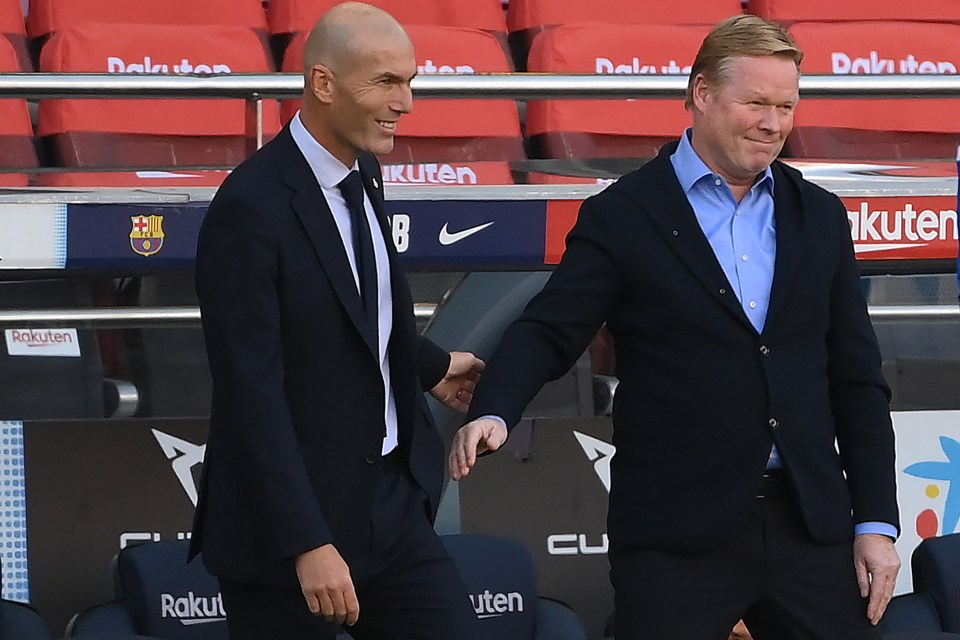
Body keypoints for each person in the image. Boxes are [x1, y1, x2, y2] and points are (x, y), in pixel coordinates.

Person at [449, 14, 901, 640]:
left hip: (810, 527)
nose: (774, 123)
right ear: (701, 93)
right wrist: (496, 408)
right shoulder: (624, 214)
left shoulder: (820, 216)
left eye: (787, 106)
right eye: (757, 103)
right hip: (674, 537)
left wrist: (876, 522)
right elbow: (551, 329)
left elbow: (857, 381)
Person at [188, 4, 484, 639]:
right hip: (289, 534)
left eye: (409, 82)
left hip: (389, 506)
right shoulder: (249, 208)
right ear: (323, 84)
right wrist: (307, 543)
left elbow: (359, 308)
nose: (405, 103)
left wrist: (431, 367)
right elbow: (251, 395)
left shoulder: (363, 171)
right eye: (386, 82)